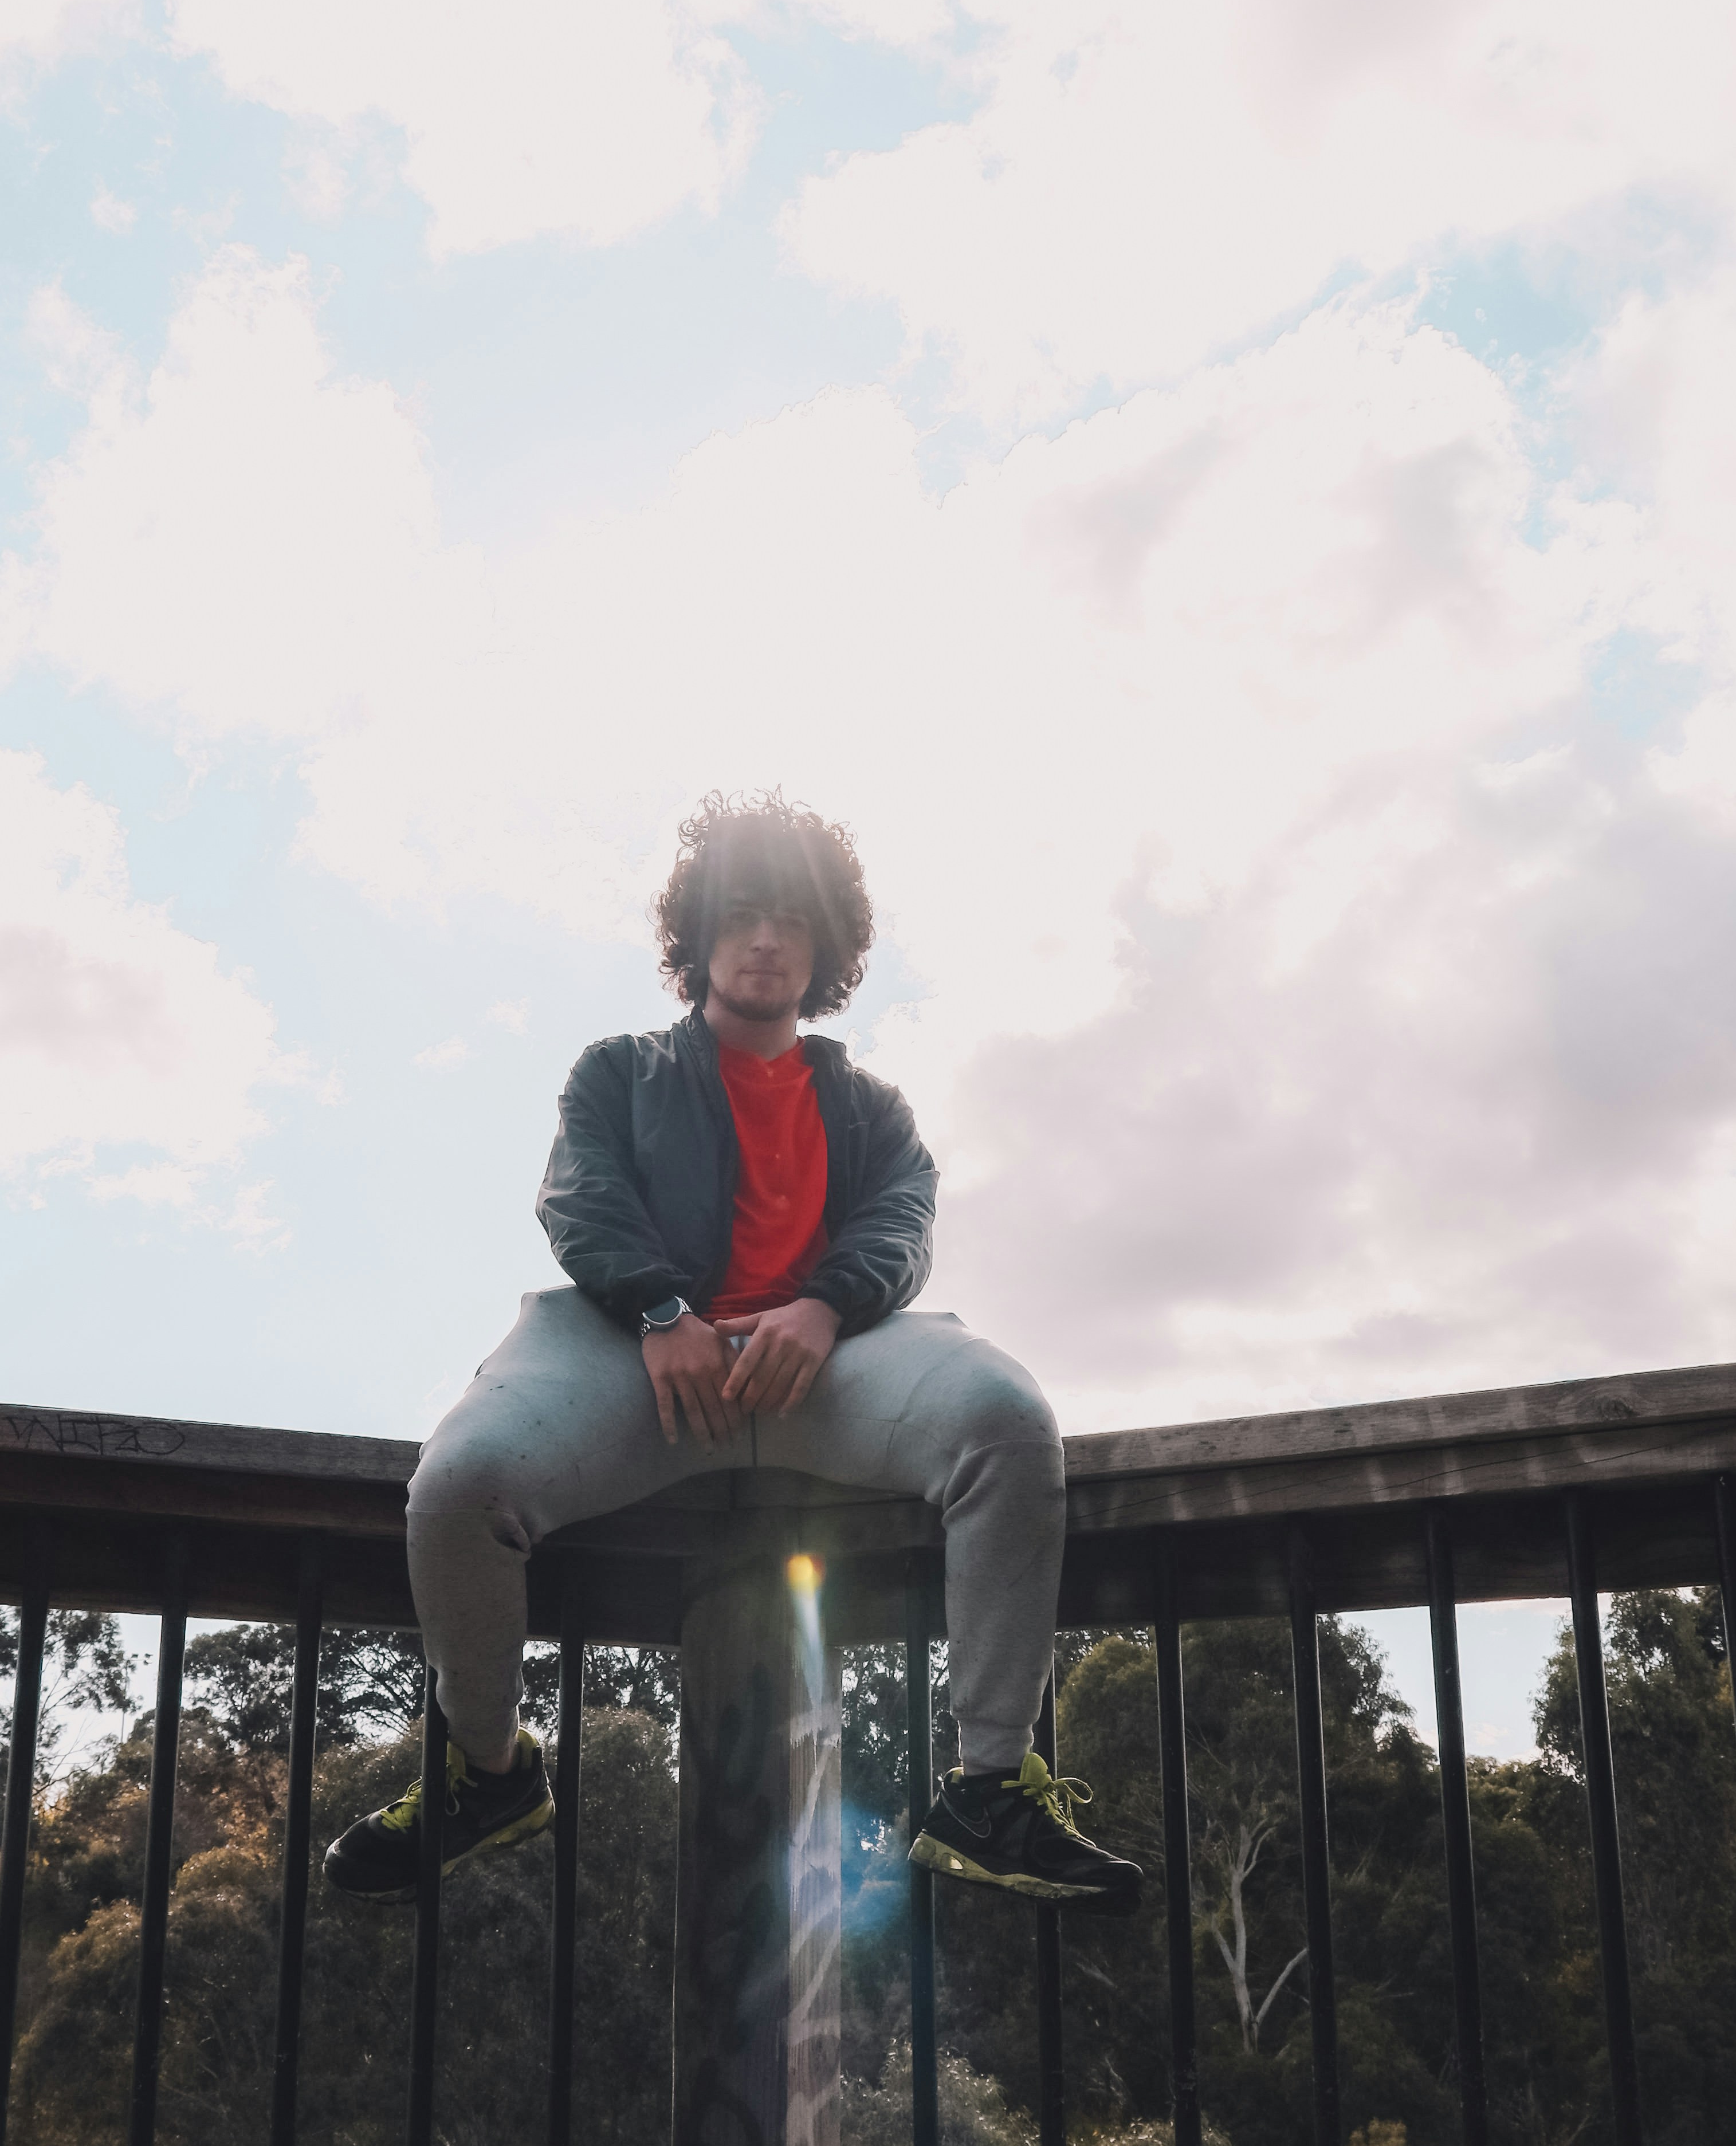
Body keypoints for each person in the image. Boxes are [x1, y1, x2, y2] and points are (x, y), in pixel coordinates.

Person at [324, 792, 1140, 1912]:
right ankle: (487, 1774)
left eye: (793, 920)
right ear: (697, 933)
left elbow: (902, 1218)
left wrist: (824, 1308)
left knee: (1006, 1422)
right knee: (460, 1485)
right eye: (742, 914)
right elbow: (583, 1196)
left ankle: (990, 1792)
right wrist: (661, 1313)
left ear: (829, 947)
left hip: (821, 1364)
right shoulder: (616, 1072)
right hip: (636, 1359)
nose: (765, 939)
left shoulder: (871, 1107)